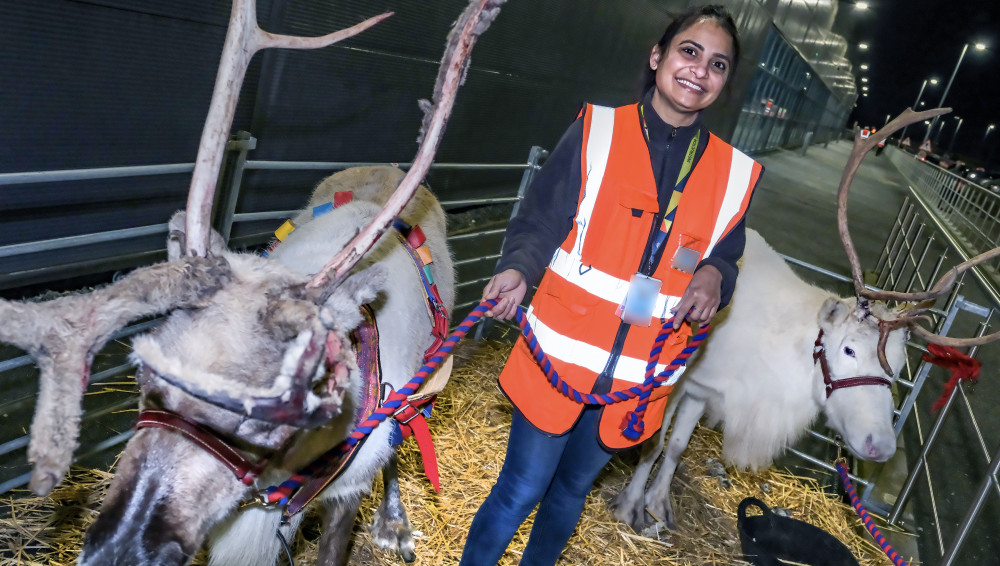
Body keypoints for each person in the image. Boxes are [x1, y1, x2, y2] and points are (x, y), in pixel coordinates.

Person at [459, 5, 763, 565]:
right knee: (522, 489)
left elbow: (727, 252)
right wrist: (517, 270)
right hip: (563, 355)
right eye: (688, 52)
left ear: (723, 82)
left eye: (717, 64)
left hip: (637, 372)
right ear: (658, 56)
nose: (699, 70)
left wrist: (715, 277)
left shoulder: (733, 173)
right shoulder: (598, 130)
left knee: (570, 492)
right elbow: (542, 219)